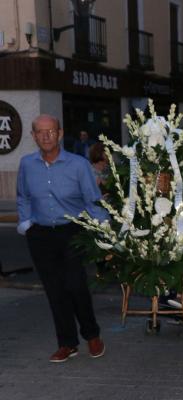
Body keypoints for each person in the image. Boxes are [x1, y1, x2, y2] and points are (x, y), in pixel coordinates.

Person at [16, 114, 107, 363]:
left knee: (76, 286)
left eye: (51, 131)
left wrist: (105, 228)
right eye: (40, 132)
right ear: (33, 136)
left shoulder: (78, 165)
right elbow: (22, 195)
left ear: (59, 133)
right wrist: (26, 223)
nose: (46, 136)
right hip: (40, 234)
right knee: (55, 290)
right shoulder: (26, 164)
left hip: (72, 231)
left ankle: (92, 335)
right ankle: (67, 343)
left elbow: (92, 198)